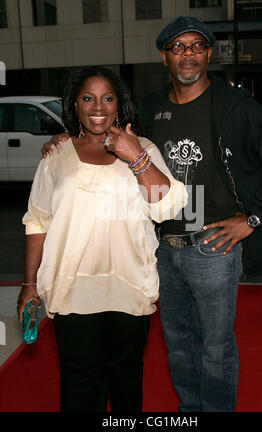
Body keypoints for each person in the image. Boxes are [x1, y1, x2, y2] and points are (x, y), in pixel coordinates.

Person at [42, 18, 262, 412]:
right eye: (178, 47)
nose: (188, 54)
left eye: (197, 46)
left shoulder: (235, 107)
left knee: (215, 349)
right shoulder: (151, 107)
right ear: (164, 56)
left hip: (212, 246)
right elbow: (109, 137)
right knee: (179, 349)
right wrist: (68, 136)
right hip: (162, 248)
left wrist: (251, 219)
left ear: (208, 54)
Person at [17, 66, 187, 413]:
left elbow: (169, 205)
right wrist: (30, 283)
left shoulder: (144, 148)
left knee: (126, 380)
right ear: (74, 105)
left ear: (119, 104)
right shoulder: (56, 156)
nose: (98, 107)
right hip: (72, 291)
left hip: (128, 287)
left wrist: (136, 157)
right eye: (88, 98)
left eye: (107, 98)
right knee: (79, 383)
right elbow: (37, 221)